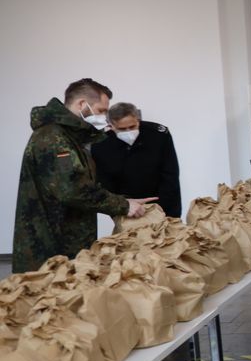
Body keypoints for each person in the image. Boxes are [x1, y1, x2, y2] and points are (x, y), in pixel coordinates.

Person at [12, 79, 153, 273]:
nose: (104, 117)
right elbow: (73, 190)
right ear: (81, 104)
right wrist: (124, 206)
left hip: (65, 242)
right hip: (50, 248)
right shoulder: (54, 138)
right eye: (101, 110)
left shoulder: (69, 137)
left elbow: (80, 183)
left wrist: (123, 200)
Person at [92, 103, 182, 218]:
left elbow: (170, 174)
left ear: (138, 120)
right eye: (122, 129)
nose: (128, 131)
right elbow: (105, 181)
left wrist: (163, 208)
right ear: (111, 125)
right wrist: (123, 205)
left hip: (163, 204)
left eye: (132, 126)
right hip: (128, 208)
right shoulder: (101, 144)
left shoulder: (158, 135)